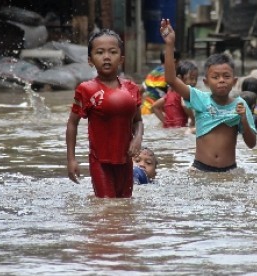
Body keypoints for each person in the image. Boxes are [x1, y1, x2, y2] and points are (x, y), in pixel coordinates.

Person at [160, 19, 257, 172]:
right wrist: (170, 44)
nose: (221, 81)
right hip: (200, 169)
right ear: (205, 82)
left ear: (235, 81)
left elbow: (252, 144)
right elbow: (171, 79)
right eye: (216, 77)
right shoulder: (199, 98)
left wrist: (244, 119)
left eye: (226, 76)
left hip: (229, 170)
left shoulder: (240, 105)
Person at [66, 29, 143, 198]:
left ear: (121, 59)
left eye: (113, 52)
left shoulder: (132, 89)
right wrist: (71, 159)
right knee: (107, 208)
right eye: (99, 52)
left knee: (124, 208)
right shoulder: (86, 90)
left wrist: (137, 140)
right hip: (100, 162)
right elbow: (72, 123)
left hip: (125, 162)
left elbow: (138, 121)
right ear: (90, 60)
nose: (106, 57)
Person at [152, 60, 197, 129]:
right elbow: (184, 105)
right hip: (180, 127)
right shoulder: (184, 93)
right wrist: (193, 120)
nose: (194, 82)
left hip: (169, 129)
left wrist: (165, 122)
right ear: (179, 78)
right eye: (191, 78)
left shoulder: (169, 94)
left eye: (196, 79)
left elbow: (155, 107)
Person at [140, 50, 181, 115]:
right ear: (174, 61)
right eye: (179, 63)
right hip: (158, 113)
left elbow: (141, 89)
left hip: (145, 110)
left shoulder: (152, 73)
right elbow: (172, 97)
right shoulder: (170, 76)